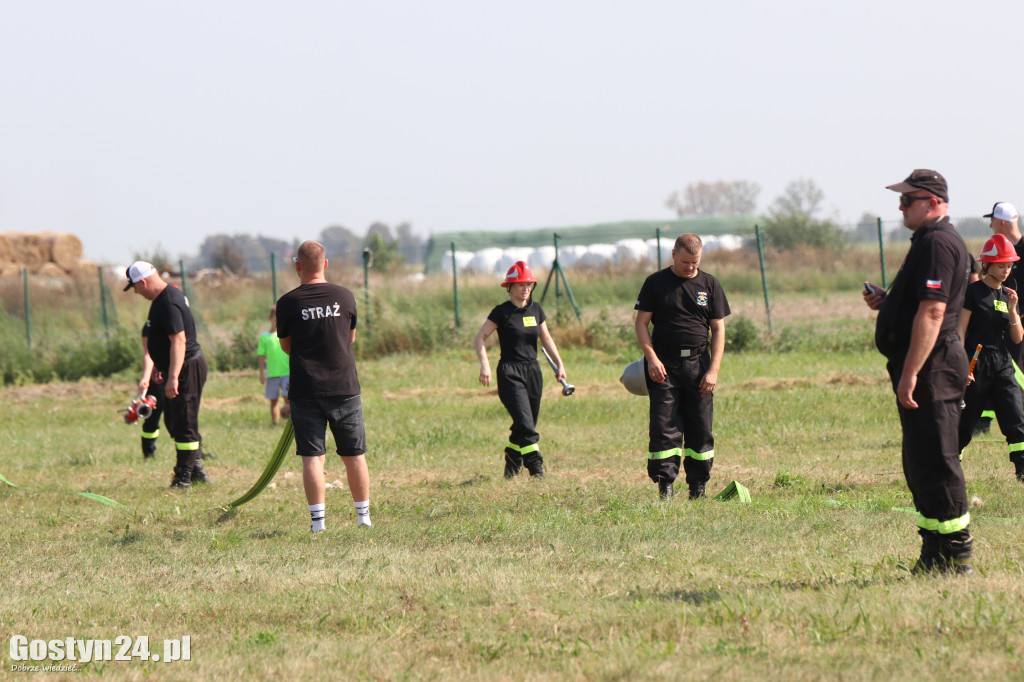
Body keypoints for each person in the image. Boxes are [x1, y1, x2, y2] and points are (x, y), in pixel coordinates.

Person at [864, 169, 972, 575]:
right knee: (920, 459)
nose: (900, 206)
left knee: (939, 459)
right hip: (927, 364)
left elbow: (934, 310)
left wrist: (911, 372)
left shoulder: (938, 242)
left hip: (933, 366)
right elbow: (922, 302)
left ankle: (957, 554)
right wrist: (888, 302)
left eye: (907, 200)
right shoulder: (928, 241)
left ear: (933, 202)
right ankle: (933, 551)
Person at [276, 241, 371, 531]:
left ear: (297, 267)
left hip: (306, 389)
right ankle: (363, 518)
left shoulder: (287, 303)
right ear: (325, 264)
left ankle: (318, 524)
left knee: (312, 457)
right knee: (354, 454)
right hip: (345, 386)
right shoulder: (345, 296)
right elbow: (350, 338)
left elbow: (286, 347)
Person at [634, 233, 729, 501]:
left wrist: (714, 370)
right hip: (664, 366)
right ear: (673, 255)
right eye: (686, 261)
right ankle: (665, 486)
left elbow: (718, 330)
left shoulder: (709, 284)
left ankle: (698, 487)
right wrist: (651, 358)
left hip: (699, 364)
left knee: (701, 428)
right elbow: (641, 324)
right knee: (664, 427)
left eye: (695, 262)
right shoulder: (655, 283)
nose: (690, 267)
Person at [474, 260, 567, 479]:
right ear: (510, 287)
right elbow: (480, 337)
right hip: (509, 372)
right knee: (526, 425)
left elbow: (546, 338)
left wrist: (560, 364)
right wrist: (484, 364)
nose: (526, 289)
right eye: (521, 285)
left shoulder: (536, 309)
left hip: (533, 371)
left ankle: (511, 463)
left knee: (525, 423)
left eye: (529, 284)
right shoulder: (501, 312)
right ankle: (536, 470)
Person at [126, 261, 211, 488]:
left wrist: (173, 376)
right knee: (174, 421)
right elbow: (163, 340)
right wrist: (159, 366)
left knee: (184, 423)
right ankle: (197, 471)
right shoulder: (163, 298)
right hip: (175, 368)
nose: (135, 291)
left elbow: (179, 340)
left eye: (135, 286)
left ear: (143, 282)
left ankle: (183, 478)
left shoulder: (168, 302)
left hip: (186, 369)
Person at [956, 233, 1024, 481]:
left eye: (1009, 265)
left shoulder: (1008, 295)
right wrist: (963, 365)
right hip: (976, 362)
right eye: (1001, 265)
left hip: (1002, 362)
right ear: (987, 265)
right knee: (966, 424)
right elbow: (960, 331)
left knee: (1015, 416)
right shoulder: (973, 293)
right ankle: (951, 467)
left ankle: (1022, 469)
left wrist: (1014, 309)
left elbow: (1017, 338)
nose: (1006, 270)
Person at [257, 306, 290, 425]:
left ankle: (290, 422)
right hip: (272, 374)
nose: (277, 322)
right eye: (275, 319)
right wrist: (262, 374)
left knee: (288, 399)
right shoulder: (265, 337)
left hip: (287, 373)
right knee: (273, 400)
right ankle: (275, 422)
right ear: (270, 319)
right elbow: (261, 355)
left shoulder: (287, 335)